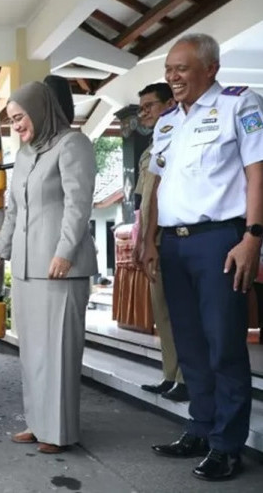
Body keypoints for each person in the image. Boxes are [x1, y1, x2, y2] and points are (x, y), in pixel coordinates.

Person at [142, 33, 263, 481]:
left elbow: (257, 173)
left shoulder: (239, 105)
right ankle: (199, 427)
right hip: (173, 243)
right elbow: (155, 184)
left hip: (219, 240)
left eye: (182, 68)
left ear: (210, 68)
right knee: (190, 344)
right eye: (168, 70)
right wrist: (147, 238)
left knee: (224, 344)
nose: (172, 78)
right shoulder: (168, 121)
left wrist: (252, 237)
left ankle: (227, 445)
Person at [0, 81, 97, 454]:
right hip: (27, 268)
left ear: (41, 109)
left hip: (61, 266)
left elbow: (79, 205)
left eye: (20, 117)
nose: (16, 126)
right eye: (13, 121)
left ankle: (60, 432)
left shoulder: (72, 145)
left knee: (59, 352)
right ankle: (37, 423)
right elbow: (13, 211)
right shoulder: (27, 155)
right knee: (32, 350)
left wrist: (64, 252)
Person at [132, 83, 188, 402]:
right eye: (142, 108)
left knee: (180, 309)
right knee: (162, 309)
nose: (145, 113)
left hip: (175, 233)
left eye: (150, 106)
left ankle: (186, 377)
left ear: (169, 104)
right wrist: (142, 240)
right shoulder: (150, 149)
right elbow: (143, 203)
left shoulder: (181, 141)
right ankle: (171, 374)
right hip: (153, 237)